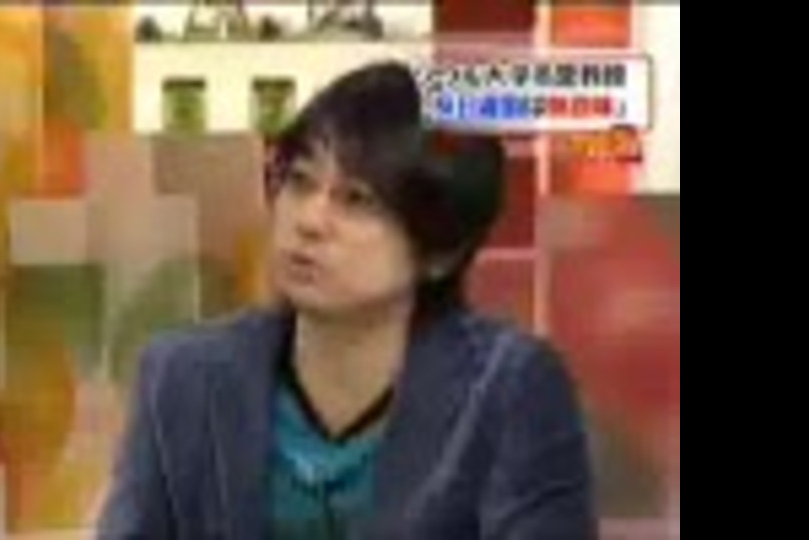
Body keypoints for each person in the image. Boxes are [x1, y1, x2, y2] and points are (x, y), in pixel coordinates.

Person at [97, 60, 597, 540]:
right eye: (299, 181)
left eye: (356, 200)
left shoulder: (507, 390)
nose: (309, 221)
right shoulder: (183, 377)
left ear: (440, 252)